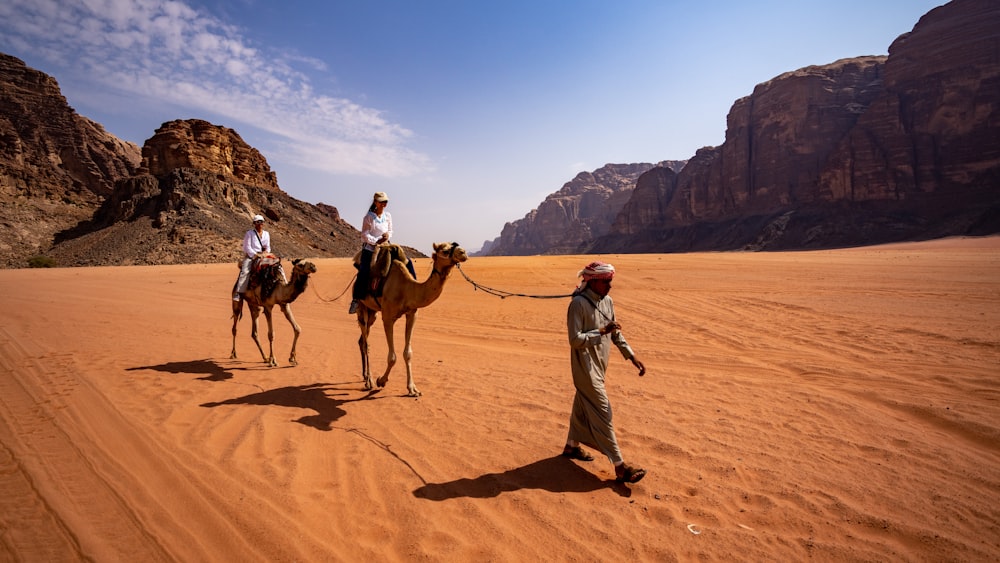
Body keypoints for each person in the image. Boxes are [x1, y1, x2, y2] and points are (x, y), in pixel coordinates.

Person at [561, 261, 648, 484]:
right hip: (584, 368)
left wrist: (631, 355)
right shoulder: (578, 304)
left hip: (600, 366)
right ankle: (620, 467)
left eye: (611, 281)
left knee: (582, 404)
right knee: (604, 412)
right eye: (606, 282)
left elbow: (615, 332)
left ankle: (571, 446)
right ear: (593, 281)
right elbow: (575, 340)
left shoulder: (607, 302)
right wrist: (601, 332)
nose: (610, 286)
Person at [349, 192, 392, 314]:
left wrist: (387, 236)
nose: (384, 204)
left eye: (385, 202)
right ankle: (356, 300)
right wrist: (376, 241)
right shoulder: (369, 217)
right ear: (375, 202)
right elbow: (364, 235)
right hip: (371, 249)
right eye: (381, 201)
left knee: (405, 262)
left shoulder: (388, 216)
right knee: (364, 272)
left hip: (386, 247)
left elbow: (390, 229)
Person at [233, 214, 272, 301]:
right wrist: (255, 254)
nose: (260, 224)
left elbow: (268, 246)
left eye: (261, 222)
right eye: (258, 222)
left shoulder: (266, 234)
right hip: (252, 256)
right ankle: (238, 293)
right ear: (254, 223)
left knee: (276, 266)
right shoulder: (249, 233)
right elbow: (247, 247)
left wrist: (266, 252)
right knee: (245, 271)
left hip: (263, 255)